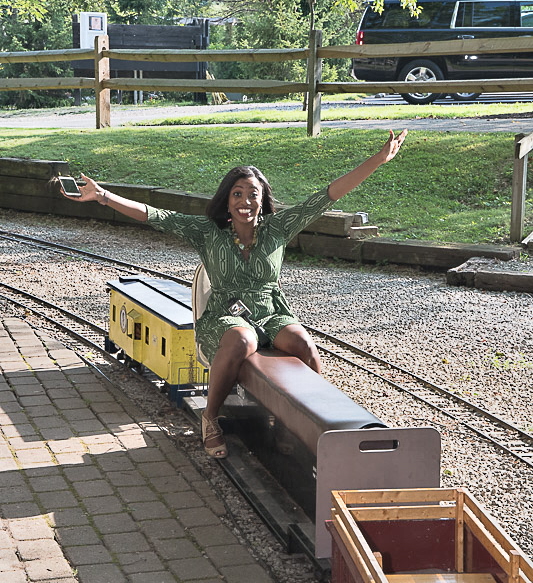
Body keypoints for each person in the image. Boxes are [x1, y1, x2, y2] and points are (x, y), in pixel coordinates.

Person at [63, 129, 407, 459]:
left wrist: (378, 159)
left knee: (306, 347)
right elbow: (154, 215)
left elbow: (328, 195)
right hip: (224, 315)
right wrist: (103, 196)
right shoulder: (207, 232)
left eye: (253, 194)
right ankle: (210, 417)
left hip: (271, 312)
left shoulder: (278, 228)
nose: (245, 201)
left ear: (262, 199)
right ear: (227, 201)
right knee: (243, 339)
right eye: (237, 194)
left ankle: (292, 425)